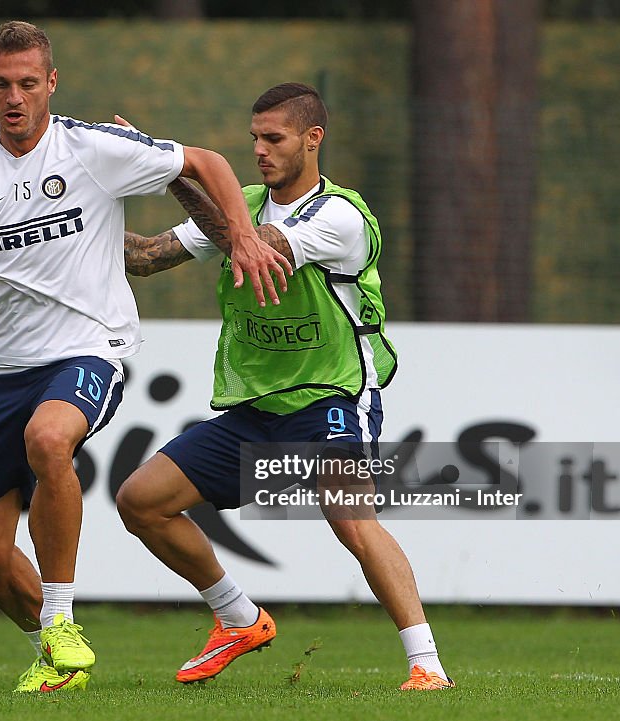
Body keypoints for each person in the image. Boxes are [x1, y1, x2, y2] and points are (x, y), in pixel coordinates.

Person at [0, 22, 289, 694]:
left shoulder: (92, 147)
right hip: (6, 367)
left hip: (92, 346)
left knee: (49, 437)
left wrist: (241, 236)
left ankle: (61, 617)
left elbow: (204, 161)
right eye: (2, 83)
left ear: (51, 84)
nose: (15, 96)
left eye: (28, 83)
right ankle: (56, 655)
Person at [116, 83, 454, 691]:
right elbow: (144, 257)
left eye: (274, 139)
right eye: (254, 140)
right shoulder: (241, 203)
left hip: (332, 392)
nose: (260, 152)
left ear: (312, 139)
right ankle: (239, 618)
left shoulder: (341, 217)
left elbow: (247, 247)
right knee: (141, 501)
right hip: (258, 404)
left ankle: (426, 664)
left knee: (349, 514)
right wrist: (57, 232)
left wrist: (170, 170)